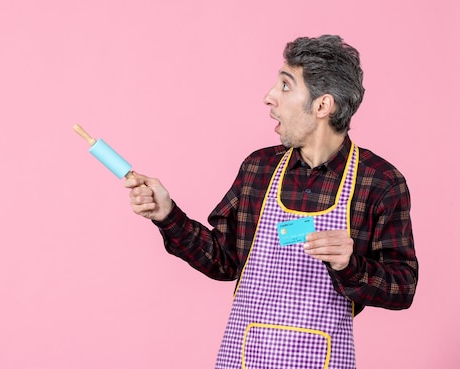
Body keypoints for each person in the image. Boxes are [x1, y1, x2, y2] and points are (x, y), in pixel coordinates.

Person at [124, 35, 418, 369]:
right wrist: (167, 215)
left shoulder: (379, 183)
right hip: (243, 359)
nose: (269, 97)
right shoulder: (259, 169)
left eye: (286, 86)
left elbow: (403, 287)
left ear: (322, 106)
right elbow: (223, 260)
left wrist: (350, 265)